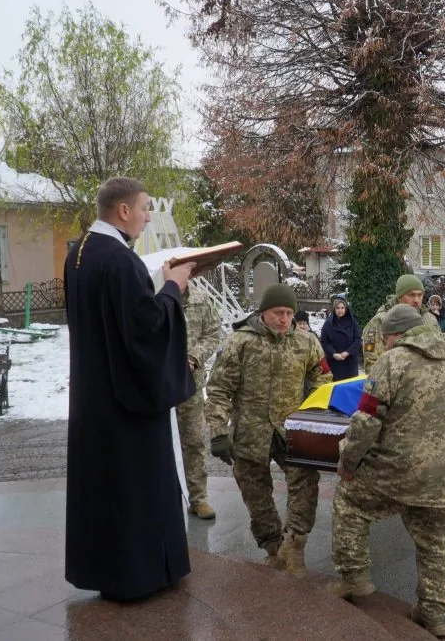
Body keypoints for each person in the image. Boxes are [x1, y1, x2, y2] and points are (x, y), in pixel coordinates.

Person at [63, 176, 196, 602]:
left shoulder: (79, 252)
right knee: (135, 487)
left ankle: (110, 572)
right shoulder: (120, 260)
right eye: (144, 208)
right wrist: (173, 288)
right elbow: (146, 331)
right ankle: (142, 575)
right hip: (127, 403)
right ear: (123, 211)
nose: (147, 216)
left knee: (105, 489)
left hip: (95, 396)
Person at [327, 304, 445, 639]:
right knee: (435, 540)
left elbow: (365, 421)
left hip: (395, 471)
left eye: (387, 337)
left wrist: (347, 462)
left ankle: (354, 578)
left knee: (349, 503)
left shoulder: (391, 362)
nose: (386, 343)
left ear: (396, 334)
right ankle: (433, 613)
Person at [205, 285, 332, 578]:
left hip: (292, 429)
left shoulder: (306, 342)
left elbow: (322, 376)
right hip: (251, 431)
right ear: (264, 312)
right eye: (278, 312)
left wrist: (313, 411)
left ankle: (294, 545)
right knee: (255, 491)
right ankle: (274, 548)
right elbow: (219, 389)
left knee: (305, 483)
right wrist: (217, 431)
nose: (284, 319)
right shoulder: (240, 343)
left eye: (289, 313)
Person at [177, 285, 224, 520]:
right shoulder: (153, 294)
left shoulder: (200, 298)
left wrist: (193, 357)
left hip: (190, 384)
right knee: (156, 443)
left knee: (194, 440)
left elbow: (213, 332)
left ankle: (199, 498)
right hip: (154, 383)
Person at [361, 274, 438, 372]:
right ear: (399, 297)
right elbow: (372, 364)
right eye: (411, 295)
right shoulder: (381, 321)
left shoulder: (429, 319)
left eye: (420, 295)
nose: (416, 300)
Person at [320, 297, 362, 382]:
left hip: (350, 363)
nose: (340, 310)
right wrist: (333, 353)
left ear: (346, 309)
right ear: (334, 309)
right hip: (335, 363)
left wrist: (348, 352)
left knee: (350, 386)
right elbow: (324, 342)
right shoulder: (328, 324)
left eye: (342, 308)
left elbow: (357, 339)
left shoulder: (352, 322)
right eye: (338, 308)